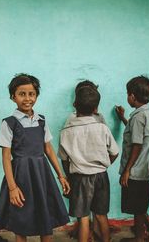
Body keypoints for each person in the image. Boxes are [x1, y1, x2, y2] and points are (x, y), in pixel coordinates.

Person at [0, 73, 70, 242]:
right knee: (21, 218)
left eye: (31, 94)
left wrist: (61, 176)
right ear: (13, 97)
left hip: (42, 175)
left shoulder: (41, 120)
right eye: (22, 94)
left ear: (36, 95)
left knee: (46, 217)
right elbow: (6, 157)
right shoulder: (8, 123)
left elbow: (48, 150)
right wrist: (12, 187)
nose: (27, 98)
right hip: (20, 177)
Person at [59, 86, 119, 242]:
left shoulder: (67, 130)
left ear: (74, 105)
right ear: (96, 108)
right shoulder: (102, 128)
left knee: (83, 218)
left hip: (79, 179)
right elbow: (114, 152)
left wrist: (69, 176)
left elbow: (64, 159)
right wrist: (103, 165)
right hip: (100, 176)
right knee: (101, 215)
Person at [115, 76, 149, 242]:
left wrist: (127, 170)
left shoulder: (138, 117)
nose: (127, 97)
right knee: (140, 204)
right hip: (143, 168)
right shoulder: (144, 114)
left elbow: (137, 144)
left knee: (137, 205)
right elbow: (138, 135)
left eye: (128, 94)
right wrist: (123, 118)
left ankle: (140, 237)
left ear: (133, 96)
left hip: (135, 169)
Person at [62, 80, 106, 240]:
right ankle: (89, 235)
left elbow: (64, 156)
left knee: (87, 213)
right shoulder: (73, 120)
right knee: (92, 211)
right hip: (96, 173)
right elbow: (110, 149)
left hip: (82, 173)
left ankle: (90, 233)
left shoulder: (99, 119)